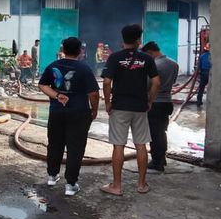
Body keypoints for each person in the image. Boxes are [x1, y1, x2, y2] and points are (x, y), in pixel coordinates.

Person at [100, 24, 160, 196]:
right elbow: (156, 82)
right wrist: (150, 101)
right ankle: (141, 185)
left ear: (123, 39)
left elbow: (106, 82)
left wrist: (108, 102)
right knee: (141, 144)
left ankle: (117, 186)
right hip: (140, 106)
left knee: (118, 145)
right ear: (139, 41)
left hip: (119, 106)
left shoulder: (114, 57)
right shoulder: (147, 59)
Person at [39, 37, 100, 196]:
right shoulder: (84, 69)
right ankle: (70, 184)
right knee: (76, 148)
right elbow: (93, 93)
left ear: (63, 50)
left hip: (57, 113)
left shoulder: (53, 66)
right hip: (79, 113)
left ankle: (52, 176)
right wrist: (94, 110)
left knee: (55, 144)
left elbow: (42, 85)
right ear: (80, 51)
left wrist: (57, 95)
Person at [142, 41, 179, 172]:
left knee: (154, 133)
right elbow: (173, 82)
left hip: (155, 102)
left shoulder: (154, 65)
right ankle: (161, 158)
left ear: (150, 53)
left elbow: (147, 85)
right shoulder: (174, 64)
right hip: (167, 102)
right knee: (161, 132)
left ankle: (157, 162)